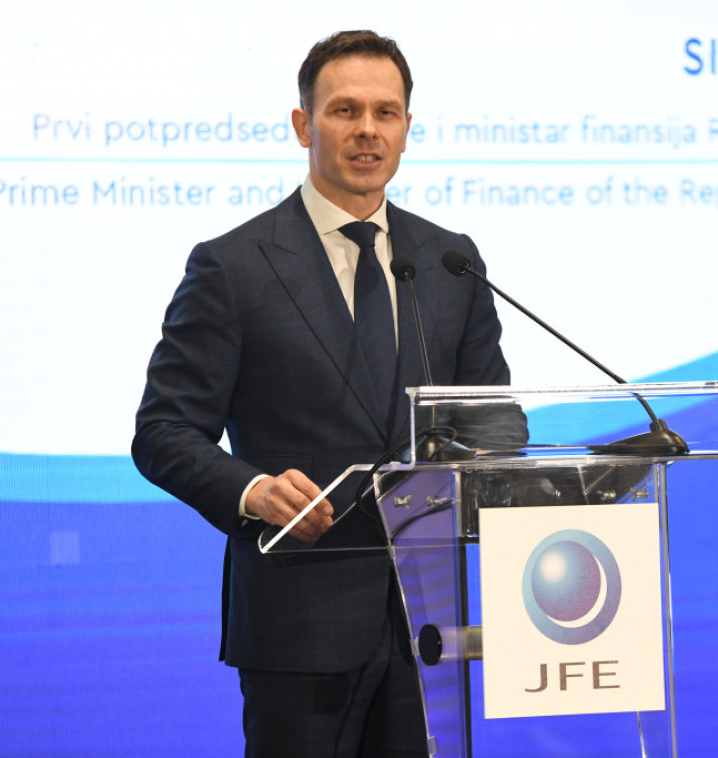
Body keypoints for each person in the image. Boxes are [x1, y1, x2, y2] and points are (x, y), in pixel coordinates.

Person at [132, 30, 519, 757]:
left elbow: (492, 419)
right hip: (298, 623)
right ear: (304, 125)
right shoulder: (233, 267)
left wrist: (494, 456)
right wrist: (254, 492)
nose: (368, 130)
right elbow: (163, 432)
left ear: (406, 127)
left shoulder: (449, 261)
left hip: (429, 622)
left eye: (385, 112)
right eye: (345, 110)